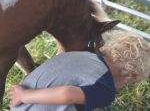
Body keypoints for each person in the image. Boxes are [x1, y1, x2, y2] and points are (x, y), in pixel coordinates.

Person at [8, 30, 150, 111]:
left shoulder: (83, 55)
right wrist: (25, 95)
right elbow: (67, 94)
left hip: (21, 105)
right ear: (131, 76)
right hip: (26, 99)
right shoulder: (105, 90)